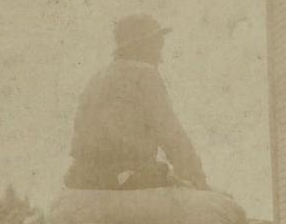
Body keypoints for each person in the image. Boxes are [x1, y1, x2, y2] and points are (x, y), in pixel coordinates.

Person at [65, 13, 209, 191]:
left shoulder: (96, 79)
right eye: (157, 47)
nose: (160, 58)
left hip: (82, 179)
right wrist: (199, 183)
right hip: (128, 178)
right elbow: (173, 137)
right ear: (141, 46)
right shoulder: (144, 74)